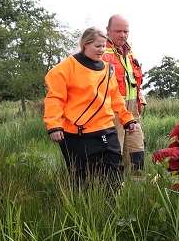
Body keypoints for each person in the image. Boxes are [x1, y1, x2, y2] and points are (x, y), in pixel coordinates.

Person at [44, 27, 138, 185]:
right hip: (77, 134)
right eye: (97, 46)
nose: (101, 50)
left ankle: (110, 207)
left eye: (103, 46)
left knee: (114, 176)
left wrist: (127, 119)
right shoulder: (66, 68)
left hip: (106, 130)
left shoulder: (108, 69)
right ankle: (82, 207)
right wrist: (54, 125)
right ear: (85, 44)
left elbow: (115, 97)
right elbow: (55, 98)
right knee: (81, 181)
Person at [101, 14, 148, 173]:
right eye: (118, 31)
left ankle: (136, 191)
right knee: (115, 152)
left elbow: (131, 79)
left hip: (132, 112)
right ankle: (113, 190)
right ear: (108, 30)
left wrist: (139, 97)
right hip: (111, 112)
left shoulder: (129, 50)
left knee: (137, 151)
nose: (123, 35)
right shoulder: (100, 50)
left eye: (126, 31)